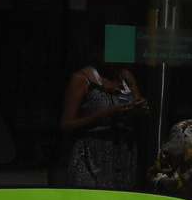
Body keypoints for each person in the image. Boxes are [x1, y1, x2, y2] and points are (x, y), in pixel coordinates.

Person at [59, 58, 145, 190]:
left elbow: (138, 114)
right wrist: (102, 115)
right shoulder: (81, 78)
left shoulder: (125, 76)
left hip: (122, 155)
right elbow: (66, 124)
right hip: (91, 157)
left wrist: (141, 108)